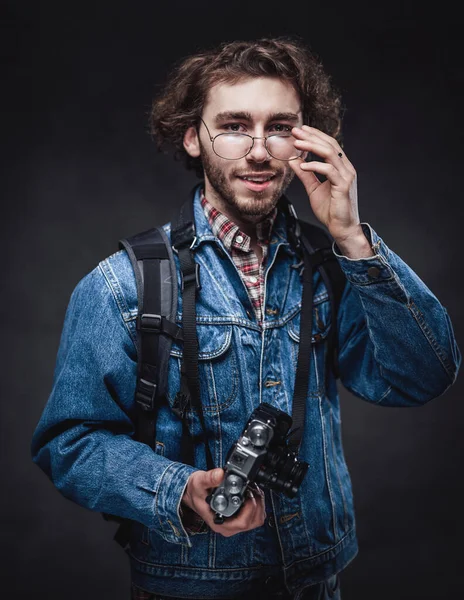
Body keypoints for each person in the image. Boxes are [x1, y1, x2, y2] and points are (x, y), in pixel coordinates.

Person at [31, 37, 461, 600]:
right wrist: (179, 489)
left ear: (307, 140)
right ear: (193, 136)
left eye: (280, 127)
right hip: (186, 586)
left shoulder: (334, 266)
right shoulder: (123, 284)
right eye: (234, 126)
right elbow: (69, 442)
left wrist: (353, 238)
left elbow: (421, 376)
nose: (258, 151)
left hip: (316, 581)